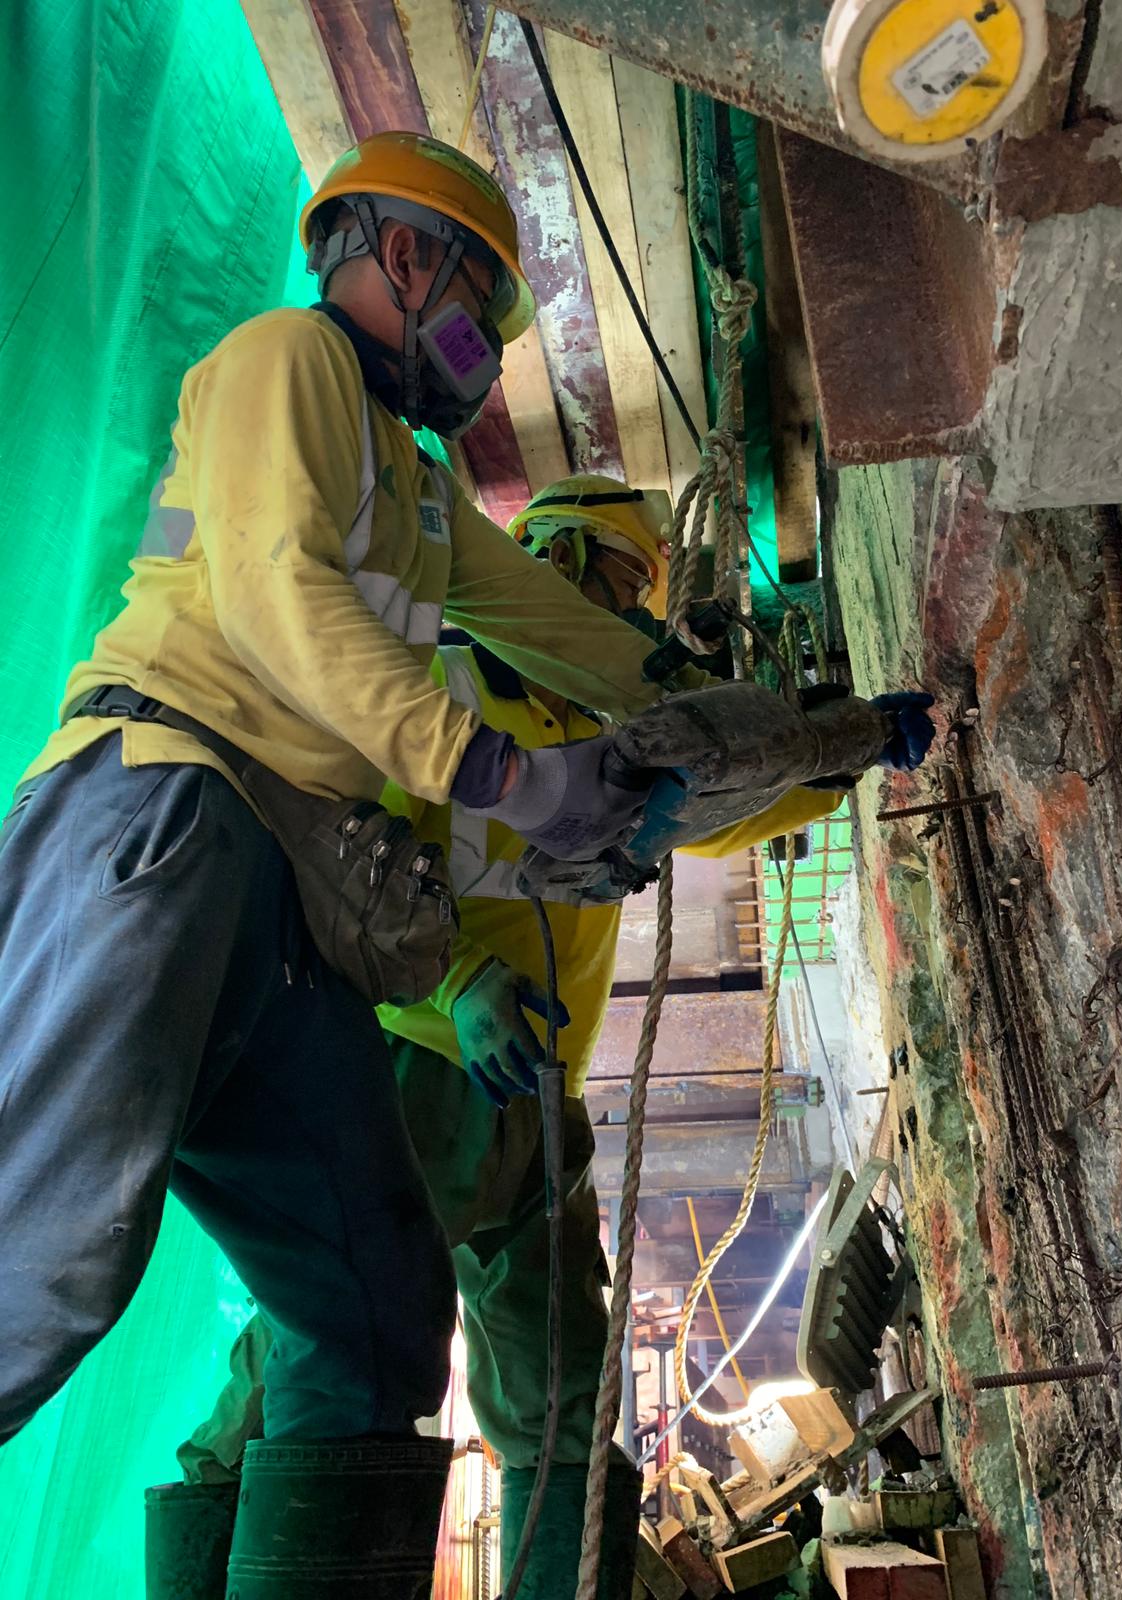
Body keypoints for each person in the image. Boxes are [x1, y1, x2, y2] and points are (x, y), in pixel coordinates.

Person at [0, 134, 735, 1595]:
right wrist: (509, 774)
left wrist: (739, 721)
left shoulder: (417, 491)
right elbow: (278, 592)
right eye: (482, 313)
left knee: (377, 1314)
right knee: (45, 1258)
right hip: (170, 806)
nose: (485, 359)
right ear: (402, 253)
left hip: (292, 901)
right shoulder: (288, 363)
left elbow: (572, 636)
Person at [169, 475, 936, 1599]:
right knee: (340, 1334)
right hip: (425, 1075)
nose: (628, 615)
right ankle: (207, 1560)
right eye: (621, 580)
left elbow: (730, 804)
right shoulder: (437, 691)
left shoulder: (611, 732)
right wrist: (457, 981)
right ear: (554, 559)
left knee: (564, 1392)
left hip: (538, 1103)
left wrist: (843, 754)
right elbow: (344, 868)